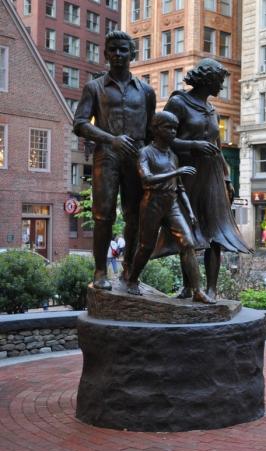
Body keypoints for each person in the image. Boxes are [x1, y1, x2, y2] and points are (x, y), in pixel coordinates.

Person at [154, 59, 251, 299]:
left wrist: (227, 179)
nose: (222, 86)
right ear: (208, 80)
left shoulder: (211, 109)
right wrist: (193, 145)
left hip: (213, 177)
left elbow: (217, 147)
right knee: (187, 232)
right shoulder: (178, 103)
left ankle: (211, 289)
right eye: (219, 81)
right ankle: (190, 287)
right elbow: (161, 139)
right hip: (188, 176)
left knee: (216, 232)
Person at [73, 31, 156, 290]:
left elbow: (152, 130)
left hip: (137, 156)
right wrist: (111, 139)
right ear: (106, 54)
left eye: (123, 50)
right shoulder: (94, 88)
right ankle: (100, 271)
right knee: (103, 215)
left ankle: (130, 271)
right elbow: (80, 123)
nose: (118, 54)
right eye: (113, 50)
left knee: (135, 216)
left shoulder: (146, 91)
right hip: (106, 156)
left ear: (132, 54)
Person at [126, 111, 214, 304]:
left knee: (188, 243)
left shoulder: (172, 155)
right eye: (169, 127)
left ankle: (197, 290)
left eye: (175, 128)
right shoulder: (146, 153)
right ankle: (132, 279)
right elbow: (146, 179)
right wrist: (176, 172)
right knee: (146, 247)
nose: (173, 131)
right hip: (152, 203)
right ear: (156, 129)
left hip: (172, 203)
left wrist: (190, 212)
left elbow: (180, 187)